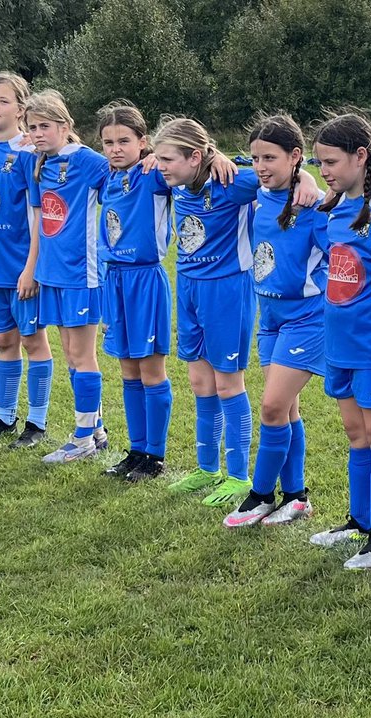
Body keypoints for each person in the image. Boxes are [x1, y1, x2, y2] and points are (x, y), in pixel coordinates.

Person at [152, 117, 318, 507]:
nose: (160, 166)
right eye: (157, 158)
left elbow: (284, 176)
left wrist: (307, 179)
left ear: (195, 157)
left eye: (167, 159)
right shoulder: (172, 178)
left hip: (228, 290)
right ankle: (207, 467)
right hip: (188, 288)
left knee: (228, 384)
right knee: (199, 383)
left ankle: (239, 475)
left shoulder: (233, 182)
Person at [307, 113, 371, 569]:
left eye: (330, 161)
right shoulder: (333, 207)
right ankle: (359, 521)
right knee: (355, 434)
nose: (323, 170)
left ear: (362, 157)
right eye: (318, 162)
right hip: (339, 339)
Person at [224, 114, 326, 527]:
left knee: (271, 406)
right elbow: (216, 165)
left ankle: (261, 493)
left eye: (270, 157)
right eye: (255, 157)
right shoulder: (254, 193)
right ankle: (296, 496)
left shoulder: (314, 206)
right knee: (287, 410)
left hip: (307, 318)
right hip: (270, 317)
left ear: (295, 156)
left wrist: (309, 184)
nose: (261, 166)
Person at [0, 71, 55, 449]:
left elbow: (37, 215)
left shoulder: (27, 153)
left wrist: (31, 267)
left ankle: (36, 422)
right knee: (3, 339)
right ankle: (4, 417)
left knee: (33, 340)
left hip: (22, 267)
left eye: (3, 101)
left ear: (21, 108)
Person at [26, 90, 112, 464]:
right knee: (71, 356)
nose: (38, 133)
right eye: (32, 127)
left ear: (65, 126)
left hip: (82, 272)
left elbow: (132, 170)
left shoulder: (90, 162)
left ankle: (81, 439)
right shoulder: (41, 163)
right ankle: (95, 429)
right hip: (53, 273)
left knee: (82, 354)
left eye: (45, 126)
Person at [94, 101, 175, 483]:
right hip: (115, 280)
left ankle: (155, 456)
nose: (115, 148)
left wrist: (213, 156)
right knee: (127, 368)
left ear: (143, 142)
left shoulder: (154, 174)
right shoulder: (107, 177)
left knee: (150, 369)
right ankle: (137, 450)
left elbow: (195, 165)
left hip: (145, 280)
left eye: (124, 140)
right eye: (108, 141)